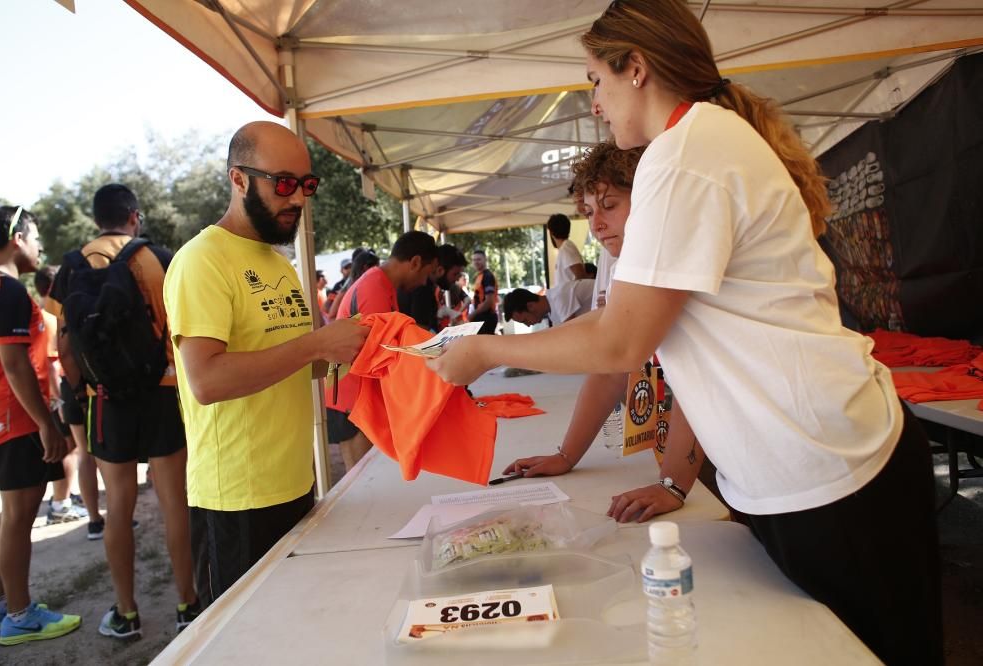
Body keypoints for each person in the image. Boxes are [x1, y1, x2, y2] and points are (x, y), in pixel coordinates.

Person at [428, 2, 941, 664]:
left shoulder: (685, 155)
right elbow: (676, 344)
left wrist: (482, 350)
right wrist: (672, 479)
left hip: (834, 471)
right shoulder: (698, 144)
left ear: (635, 68)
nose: (593, 104)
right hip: (813, 468)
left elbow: (620, 343)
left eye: (594, 80)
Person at [164, 121, 368, 606]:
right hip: (238, 496)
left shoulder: (278, 262)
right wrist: (316, 347)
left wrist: (364, 349)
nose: (297, 198)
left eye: (306, 184)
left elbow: (294, 364)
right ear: (238, 179)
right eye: (283, 183)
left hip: (294, 481)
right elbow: (207, 380)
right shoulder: (202, 260)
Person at [504, 142, 702, 524]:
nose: (596, 225)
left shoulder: (675, 256)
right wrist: (566, 456)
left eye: (609, 206)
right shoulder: (616, 260)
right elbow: (609, 366)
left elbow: (698, 375)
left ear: (649, 197)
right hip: (681, 447)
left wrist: (674, 484)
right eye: (590, 212)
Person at [48, 183, 198, 639]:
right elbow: (182, 332)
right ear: (134, 216)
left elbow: (65, 347)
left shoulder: (72, 267)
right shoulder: (160, 259)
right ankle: (188, 605)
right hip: (161, 393)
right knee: (175, 504)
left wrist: (84, 390)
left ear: (97, 220)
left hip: (105, 403)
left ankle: (126, 613)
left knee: (118, 508)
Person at [0, 205, 82, 646]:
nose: (40, 245)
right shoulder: (5, 291)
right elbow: (14, 362)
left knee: (11, 512)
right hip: (16, 417)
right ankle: (20, 615)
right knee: (21, 515)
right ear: (16, 237)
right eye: (36, 236)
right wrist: (46, 422)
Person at [326, 231, 439, 470]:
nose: (422, 283)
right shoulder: (373, 286)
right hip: (352, 399)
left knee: (367, 475)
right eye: (426, 275)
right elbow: (382, 349)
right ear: (415, 262)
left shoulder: (383, 284)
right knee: (361, 477)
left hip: (359, 397)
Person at [33, 266, 89, 525]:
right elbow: (52, 363)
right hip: (58, 394)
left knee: (73, 449)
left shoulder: (40, 315)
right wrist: (59, 401)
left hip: (52, 395)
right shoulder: (49, 318)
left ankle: (66, 497)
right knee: (70, 450)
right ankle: (60, 504)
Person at [501, 280, 594, 328]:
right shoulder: (553, 314)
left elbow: (570, 336)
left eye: (525, 320)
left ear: (530, 306)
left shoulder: (559, 297)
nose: (528, 325)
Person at [546, 213, 585, 284]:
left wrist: (570, 293)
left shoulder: (566, 248)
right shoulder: (565, 248)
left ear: (551, 232)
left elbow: (580, 275)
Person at [469, 249, 498, 334]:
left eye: (479, 259)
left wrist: (473, 314)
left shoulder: (487, 276)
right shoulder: (479, 276)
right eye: (474, 260)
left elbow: (489, 301)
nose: (476, 262)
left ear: (485, 259)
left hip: (487, 317)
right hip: (481, 317)